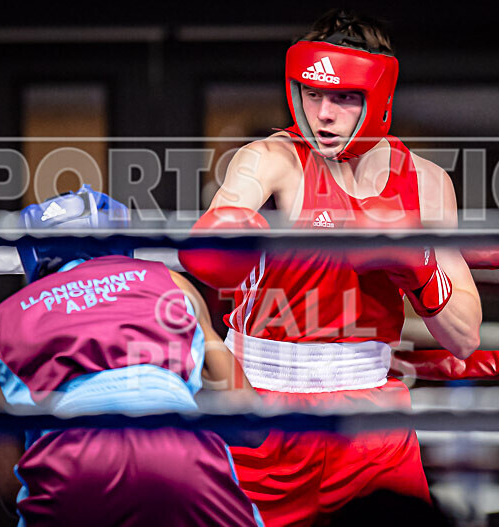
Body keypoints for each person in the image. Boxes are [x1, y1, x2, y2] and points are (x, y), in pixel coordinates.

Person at [180, 9, 482, 526]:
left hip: (371, 426)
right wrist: (226, 238)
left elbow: (466, 337)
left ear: (379, 98)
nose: (322, 114)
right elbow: (219, 225)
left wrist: (420, 268)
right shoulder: (271, 159)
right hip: (259, 411)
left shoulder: (427, 184)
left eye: (343, 98)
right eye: (313, 94)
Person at [0, 185, 264, 526]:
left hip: (68, 473)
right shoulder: (172, 283)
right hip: (180, 454)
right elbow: (248, 415)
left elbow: (10, 489)